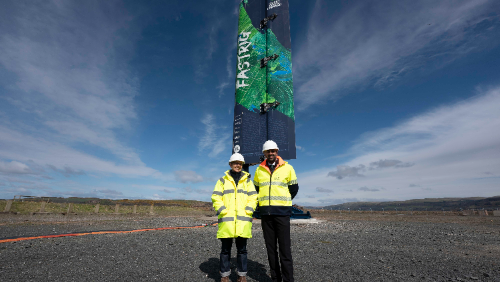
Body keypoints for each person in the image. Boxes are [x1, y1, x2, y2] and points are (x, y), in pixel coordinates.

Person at [253, 140, 299, 282]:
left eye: (273, 151)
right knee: (271, 250)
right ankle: (275, 279)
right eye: (268, 151)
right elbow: (256, 189)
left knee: (285, 250)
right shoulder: (259, 170)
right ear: (264, 153)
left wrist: (282, 202)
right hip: (266, 214)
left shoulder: (288, 168)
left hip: (282, 214)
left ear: (277, 151)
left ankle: (288, 279)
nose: (271, 153)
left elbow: (294, 189)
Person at [212, 153, 258, 282]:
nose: (237, 165)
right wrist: (223, 211)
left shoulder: (248, 181)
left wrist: (248, 210)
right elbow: (216, 197)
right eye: (235, 163)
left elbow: (253, 197)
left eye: (240, 163)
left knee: (242, 250)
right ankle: (225, 276)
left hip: (243, 221)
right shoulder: (222, 180)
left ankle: (241, 275)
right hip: (227, 221)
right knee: (225, 250)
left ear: (242, 165)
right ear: (230, 164)